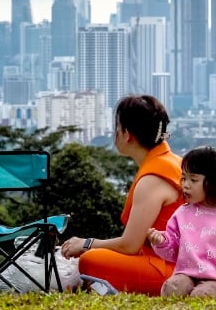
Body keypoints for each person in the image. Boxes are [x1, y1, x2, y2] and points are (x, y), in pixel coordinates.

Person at [59, 94, 185, 295]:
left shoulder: (153, 179)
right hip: (184, 265)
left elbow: (130, 245)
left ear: (127, 134)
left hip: (169, 271)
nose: (114, 133)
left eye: (116, 128)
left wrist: (86, 244)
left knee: (90, 261)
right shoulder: (174, 162)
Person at [147, 146, 216, 297]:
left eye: (193, 180)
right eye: (184, 178)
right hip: (185, 274)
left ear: (214, 182)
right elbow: (173, 249)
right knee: (172, 288)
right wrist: (162, 241)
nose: (186, 184)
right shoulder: (182, 213)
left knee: (202, 296)